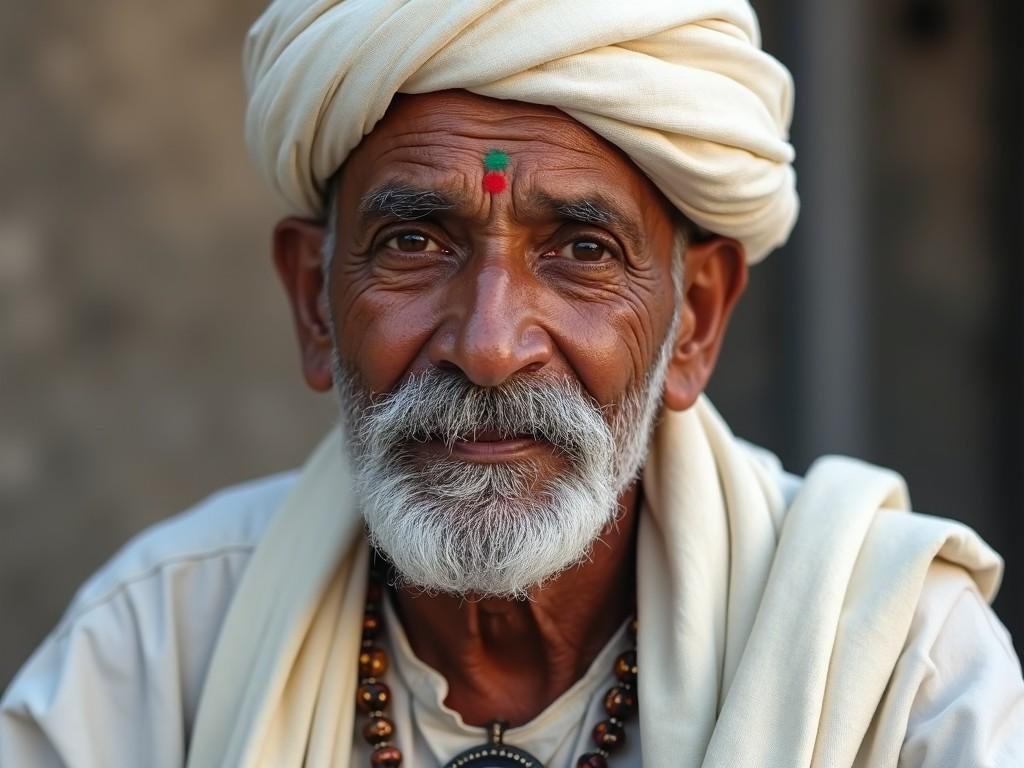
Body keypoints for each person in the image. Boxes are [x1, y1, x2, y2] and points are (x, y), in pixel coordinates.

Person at [2, 0, 1022, 766]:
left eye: (581, 249)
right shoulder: (157, 653)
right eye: (412, 241)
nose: (489, 345)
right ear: (314, 303)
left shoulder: (899, 673)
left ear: (695, 321)